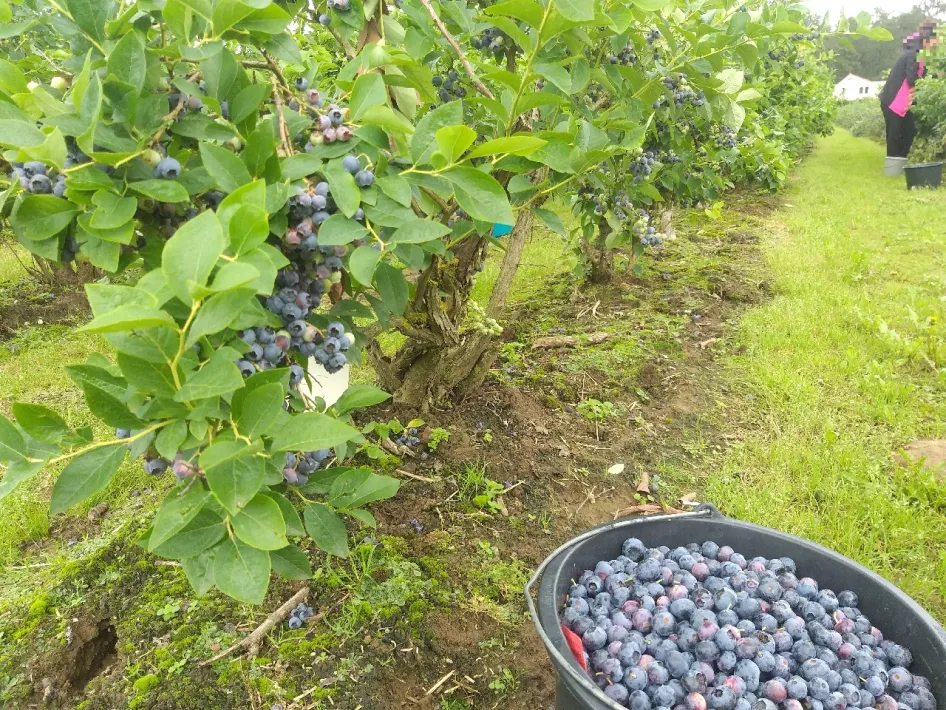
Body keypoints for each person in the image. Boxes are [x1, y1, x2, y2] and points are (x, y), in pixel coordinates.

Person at [879, 21, 938, 161]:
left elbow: (922, 76)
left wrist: (936, 77)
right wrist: (929, 82)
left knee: (910, 131)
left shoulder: (922, 55)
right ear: (929, 40)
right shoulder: (913, 53)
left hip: (905, 102)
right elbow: (912, 79)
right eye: (937, 39)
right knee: (894, 134)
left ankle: (899, 163)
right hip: (893, 100)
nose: (938, 43)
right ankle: (893, 169)